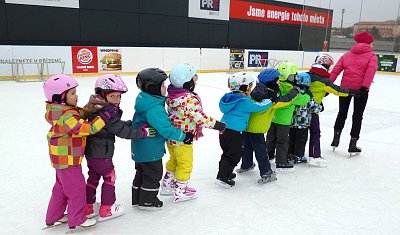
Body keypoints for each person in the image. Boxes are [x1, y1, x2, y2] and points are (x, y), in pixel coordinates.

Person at [43, 74, 118, 230]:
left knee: (61, 189)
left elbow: (78, 115)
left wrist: (89, 108)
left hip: (61, 159)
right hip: (68, 160)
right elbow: (88, 128)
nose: (76, 96)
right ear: (60, 97)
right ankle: (76, 219)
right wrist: (105, 116)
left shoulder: (59, 110)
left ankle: (53, 216)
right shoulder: (66, 116)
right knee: (77, 190)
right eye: (72, 93)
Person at [84, 74, 157, 221]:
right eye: (113, 96)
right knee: (109, 177)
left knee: (93, 178)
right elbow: (121, 131)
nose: (117, 100)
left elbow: (114, 125)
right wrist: (142, 132)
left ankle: (88, 207)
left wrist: (128, 123)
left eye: (119, 96)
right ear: (102, 95)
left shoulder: (95, 107)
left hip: (91, 153)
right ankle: (107, 209)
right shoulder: (107, 111)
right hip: (102, 154)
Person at [161, 64, 226, 202]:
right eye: (194, 81)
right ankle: (181, 190)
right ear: (187, 82)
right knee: (185, 163)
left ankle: (167, 185)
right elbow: (199, 117)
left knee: (174, 160)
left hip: (172, 137)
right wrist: (217, 125)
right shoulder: (187, 99)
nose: (195, 83)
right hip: (183, 138)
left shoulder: (172, 95)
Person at [131, 68, 194, 210]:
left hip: (140, 147)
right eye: (163, 85)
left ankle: (137, 197)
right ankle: (147, 201)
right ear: (153, 88)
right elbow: (166, 129)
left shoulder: (145, 100)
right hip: (150, 149)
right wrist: (184, 136)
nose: (165, 87)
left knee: (141, 172)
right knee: (153, 174)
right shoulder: (154, 108)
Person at [216, 72, 273, 188]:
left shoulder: (228, 97)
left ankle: (223, 173)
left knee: (227, 153)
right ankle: (223, 178)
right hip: (234, 132)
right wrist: (271, 100)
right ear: (244, 87)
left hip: (224, 130)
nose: (251, 89)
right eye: (250, 87)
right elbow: (259, 107)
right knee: (234, 155)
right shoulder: (243, 101)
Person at [329, 31, 378, 155]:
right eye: (372, 43)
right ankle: (352, 144)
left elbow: (335, 71)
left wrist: (327, 84)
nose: (373, 45)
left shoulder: (346, 55)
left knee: (342, 113)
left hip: (345, 89)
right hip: (361, 90)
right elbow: (370, 71)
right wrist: (364, 87)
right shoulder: (372, 56)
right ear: (368, 43)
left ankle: (335, 139)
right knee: (357, 116)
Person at [307, 53, 359, 166]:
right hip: (312, 111)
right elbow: (337, 90)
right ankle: (315, 156)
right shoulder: (324, 81)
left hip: (299, 110)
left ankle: (295, 154)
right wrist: (352, 92)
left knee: (297, 133)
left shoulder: (307, 75)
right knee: (315, 132)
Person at [266, 63, 311, 172]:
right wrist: (308, 94)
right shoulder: (292, 89)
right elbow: (302, 100)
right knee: (282, 141)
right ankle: (281, 162)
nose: (296, 78)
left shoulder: (278, 85)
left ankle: (269, 156)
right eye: (294, 75)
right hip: (284, 121)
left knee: (271, 138)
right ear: (289, 76)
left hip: (273, 118)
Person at [287, 72, 322, 165]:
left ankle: (290, 154)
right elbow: (315, 107)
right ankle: (298, 156)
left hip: (291, 122)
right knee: (301, 140)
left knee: (291, 138)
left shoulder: (293, 93)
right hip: (302, 123)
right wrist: (320, 107)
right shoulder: (308, 95)